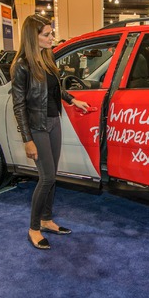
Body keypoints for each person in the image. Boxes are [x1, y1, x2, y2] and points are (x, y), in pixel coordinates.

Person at [10, 14, 89, 250]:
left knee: (52, 175)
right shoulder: (21, 66)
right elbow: (19, 105)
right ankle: (34, 228)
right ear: (33, 37)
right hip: (37, 125)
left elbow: (54, 89)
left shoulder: (47, 58)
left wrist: (73, 99)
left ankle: (47, 219)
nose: (51, 37)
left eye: (51, 33)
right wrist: (27, 140)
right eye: (46, 34)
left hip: (54, 121)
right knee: (46, 177)